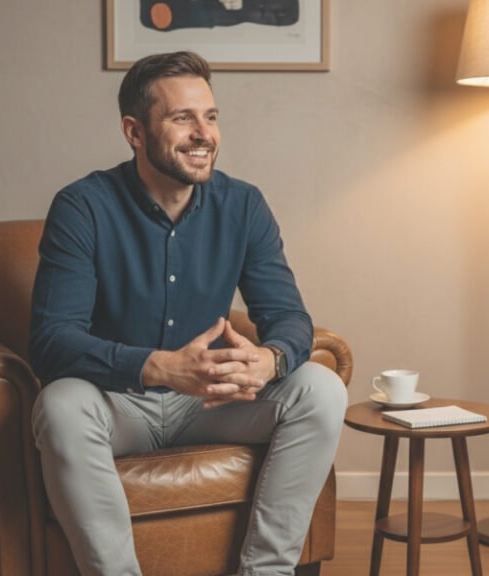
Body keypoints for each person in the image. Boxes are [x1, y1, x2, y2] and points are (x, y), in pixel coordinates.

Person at [29, 50, 347, 576]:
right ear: (134, 131)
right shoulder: (82, 206)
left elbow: (289, 316)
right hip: (117, 407)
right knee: (60, 404)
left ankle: (267, 571)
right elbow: (51, 340)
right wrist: (156, 366)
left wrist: (271, 358)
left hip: (212, 404)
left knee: (321, 388)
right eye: (182, 118)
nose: (204, 133)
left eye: (211, 116)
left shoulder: (244, 206)